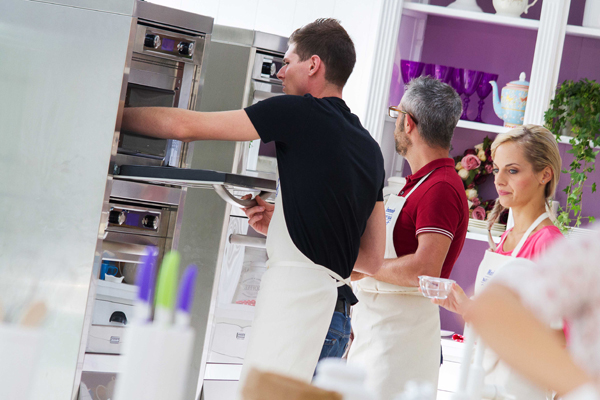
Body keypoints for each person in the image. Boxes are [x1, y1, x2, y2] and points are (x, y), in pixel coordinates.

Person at [121, 18, 386, 390]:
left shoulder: (299, 112)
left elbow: (185, 127)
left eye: (288, 62)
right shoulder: (370, 148)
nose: (280, 72)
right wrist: (291, 225)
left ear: (313, 65)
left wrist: (112, 114)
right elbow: (371, 260)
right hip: (337, 320)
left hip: (297, 309)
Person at [347, 76, 468, 400]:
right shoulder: (415, 184)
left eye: (396, 114)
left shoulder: (441, 188)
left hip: (400, 343)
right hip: (378, 332)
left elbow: (424, 270)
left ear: (408, 123)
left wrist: (363, 265)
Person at [434, 124, 564, 399]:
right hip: (482, 378)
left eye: (512, 171)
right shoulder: (506, 238)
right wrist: (466, 308)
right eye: (496, 170)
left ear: (545, 175)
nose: (499, 180)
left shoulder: (549, 243)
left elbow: (560, 339)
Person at [465, 226, 600, 399]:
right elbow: (489, 308)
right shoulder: (592, 250)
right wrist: (584, 389)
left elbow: (563, 333)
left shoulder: (548, 238)